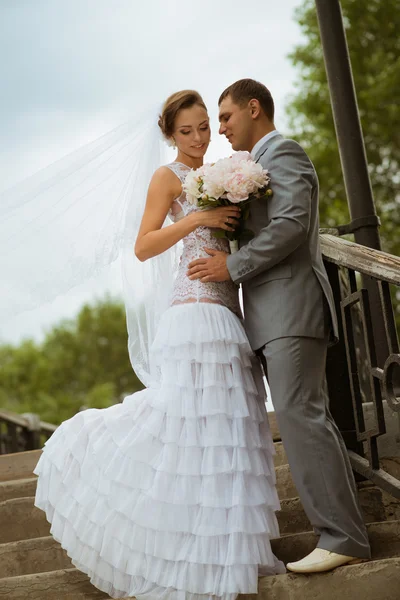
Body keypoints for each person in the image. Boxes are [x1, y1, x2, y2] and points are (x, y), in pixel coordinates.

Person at [33, 89, 285, 600]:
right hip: (193, 312)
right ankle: (178, 542)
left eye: (203, 128)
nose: (197, 138)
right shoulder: (168, 178)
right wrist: (195, 219)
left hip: (229, 311)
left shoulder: (225, 173)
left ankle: (234, 552)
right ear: (170, 135)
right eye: (186, 131)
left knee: (230, 434)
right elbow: (144, 245)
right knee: (195, 431)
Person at [187, 78, 371, 574]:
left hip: (291, 307)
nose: (220, 128)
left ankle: (344, 537)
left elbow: (290, 224)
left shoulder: (282, 152)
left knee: (302, 417)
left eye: (225, 117)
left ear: (253, 108)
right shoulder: (254, 164)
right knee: (299, 418)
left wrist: (233, 266)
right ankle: (339, 532)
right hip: (270, 316)